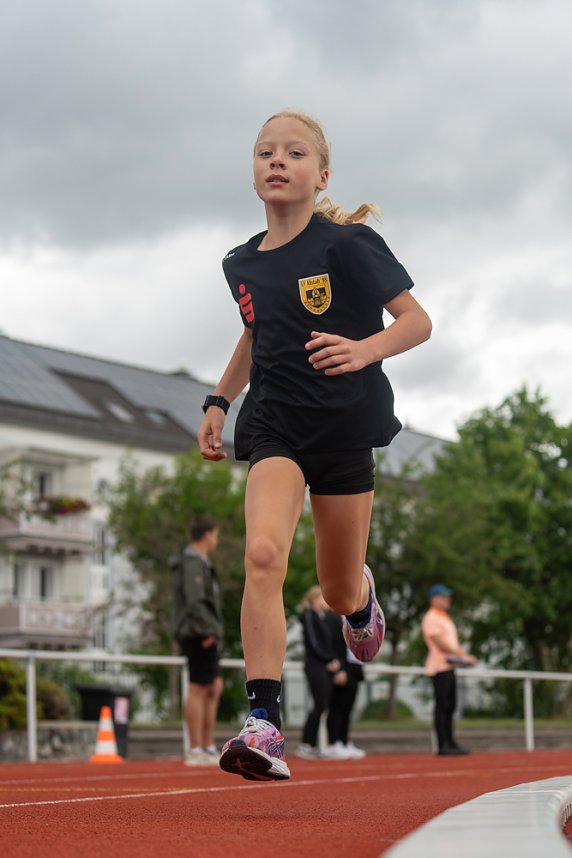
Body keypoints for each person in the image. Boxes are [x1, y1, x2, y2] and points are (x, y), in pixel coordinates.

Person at [198, 109, 432, 781]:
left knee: (333, 590)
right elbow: (256, 334)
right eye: (265, 152)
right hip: (274, 423)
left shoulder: (349, 245)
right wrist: (219, 401)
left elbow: (417, 322)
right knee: (265, 552)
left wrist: (365, 350)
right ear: (254, 171)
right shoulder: (240, 262)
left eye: (294, 153)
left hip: (343, 427)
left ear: (319, 174)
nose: (277, 161)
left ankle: (360, 601)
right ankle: (264, 724)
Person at [171, 516, 224, 766]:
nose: (217, 539)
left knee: (213, 686)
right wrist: (206, 632)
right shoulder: (192, 563)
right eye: (215, 534)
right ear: (207, 535)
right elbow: (194, 601)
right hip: (197, 631)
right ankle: (195, 749)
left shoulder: (201, 562)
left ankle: (207, 745)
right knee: (199, 687)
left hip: (207, 629)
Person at [421, 584, 476, 756]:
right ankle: (442, 744)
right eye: (444, 597)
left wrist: (461, 656)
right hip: (440, 667)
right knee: (442, 706)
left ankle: (450, 741)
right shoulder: (431, 617)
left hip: (450, 666)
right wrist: (462, 655)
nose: (447, 601)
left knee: (450, 706)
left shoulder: (445, 617)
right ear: (434, 599)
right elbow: (439, 642)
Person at [296, 586, 341, 760]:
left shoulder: (324, 618)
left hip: (323, 666)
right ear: (313, 599)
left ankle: (311, 744)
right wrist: (329, 659)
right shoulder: (309, 616)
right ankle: (306, 744)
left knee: (322, 704)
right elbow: (315, 643)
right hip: (315, 666)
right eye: (322, 598)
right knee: (319, 703)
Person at [325, 609, 366, 760]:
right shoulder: (333, 617)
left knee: (348, 708)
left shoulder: (358, 616)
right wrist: (339, 669)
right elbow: (331, 644)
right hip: (342, 667)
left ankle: (344, 740)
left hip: (355, 666)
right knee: (337, 707)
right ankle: (334, 743)